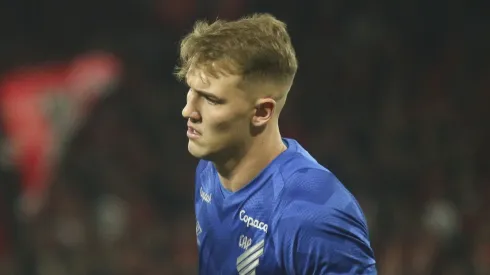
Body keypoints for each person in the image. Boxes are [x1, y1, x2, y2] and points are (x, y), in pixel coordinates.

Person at [177, 13, 377, 274]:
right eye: (191, 90)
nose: (187, 110)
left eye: (211, 99)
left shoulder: (315, 214)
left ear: (261, 112)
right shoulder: (209, 169)